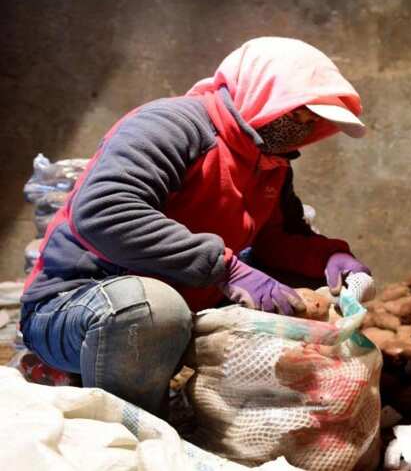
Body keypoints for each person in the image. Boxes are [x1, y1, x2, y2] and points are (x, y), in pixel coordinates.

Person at [19, 37, 372, 415]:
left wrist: (330, 256)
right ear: (261, 92)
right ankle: (137, 430)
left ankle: (222, 414)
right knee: (153, 309)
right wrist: (226, 268)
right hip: (75, 306)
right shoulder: (170, 125)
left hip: (182, 306)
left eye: (313, 121)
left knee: (292, 294)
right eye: (298, 113)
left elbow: (276, 239)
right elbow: (106, 212)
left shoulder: (270, 163)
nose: (305, 128)